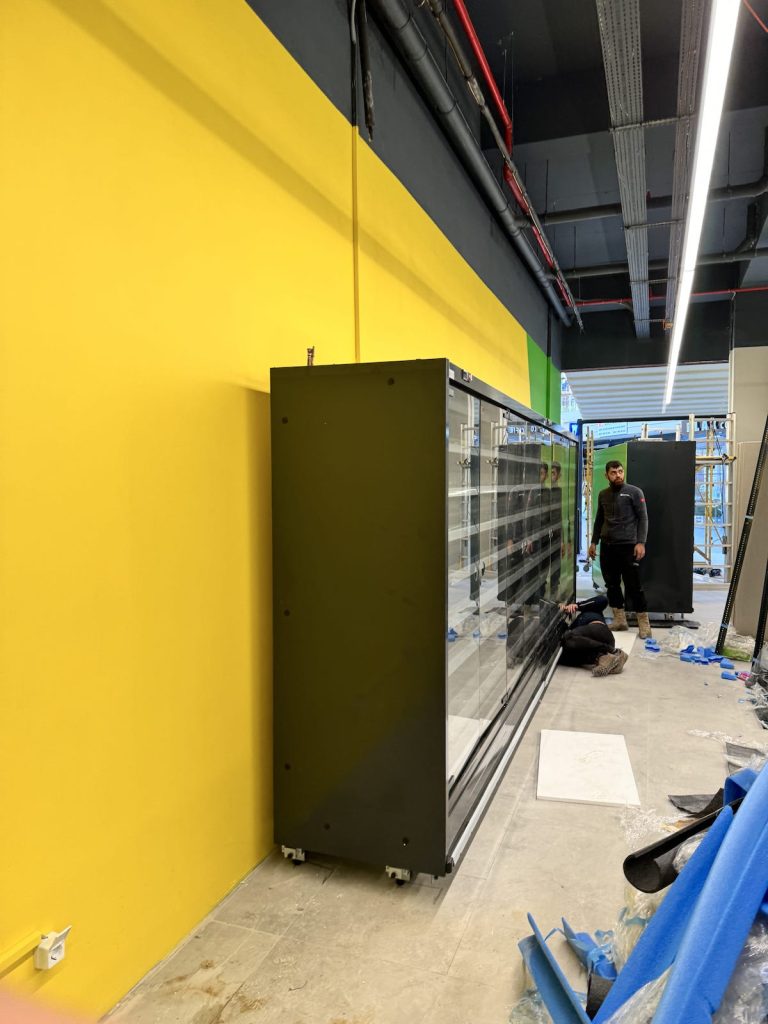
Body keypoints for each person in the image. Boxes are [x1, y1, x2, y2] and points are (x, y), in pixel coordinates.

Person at [588, 459, 652, 639]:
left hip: (628, 547)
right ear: (606, 475)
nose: (618, 475)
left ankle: (644, 625)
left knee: (634, 586)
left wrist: (641, 542)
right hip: (608, 547)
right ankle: (620, 620)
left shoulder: (634, 492)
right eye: (613, 473)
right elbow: (599, 520)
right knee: (612, 584)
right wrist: (594, 542)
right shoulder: (603, 494)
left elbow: (643, 518)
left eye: (620, 471)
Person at [559, 595, 629, 676]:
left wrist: (577, 606)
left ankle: (615, 652)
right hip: (594, 647)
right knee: (564, 651)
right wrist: (558, 608)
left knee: (568, 637)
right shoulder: (571, 627)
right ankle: (603, 657)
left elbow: (603, 599)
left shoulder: (592, 609)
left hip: (600, 632)